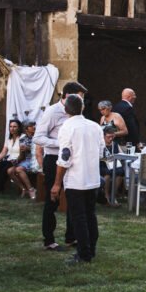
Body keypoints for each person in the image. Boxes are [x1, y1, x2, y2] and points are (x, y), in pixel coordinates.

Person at [35, 81, 88, 252]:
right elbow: (38, 137)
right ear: (67, 96)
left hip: (73, 161)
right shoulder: (52, 112)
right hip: (53, 159)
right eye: (80, 97)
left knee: (73, 197)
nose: (83, 101)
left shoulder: (78, 113)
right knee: (53, 199)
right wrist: (61, 143)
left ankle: (71, 237)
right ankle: (49, 239)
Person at [53, 95, 102, 264]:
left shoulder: (67, 127)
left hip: (76, 179)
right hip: (93, 177)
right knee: (90, 215)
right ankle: (91, 250)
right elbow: (101, 152)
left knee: (79, 217)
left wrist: (57, 183)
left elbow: (65, 157)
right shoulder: (95, 126)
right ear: (82, 108)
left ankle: (84, 254)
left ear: (66, 109)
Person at [0, 119, 23, 194]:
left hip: (19, 160)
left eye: (15, 126)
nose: (12, 128)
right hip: (10, 160)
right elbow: (3, 152)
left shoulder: (22, 138)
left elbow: (23, 154)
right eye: (10, 126)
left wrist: (16, 160)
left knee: (5, 167)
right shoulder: (9, 139)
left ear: (19, 128)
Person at [7, 120, 39, 199]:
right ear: (26, 129)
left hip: (37, 159)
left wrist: (29, 148)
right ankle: (23, 189)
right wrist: (16, 161)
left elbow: (41, 150)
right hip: (28, 159)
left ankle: (31, 189)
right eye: (31, 126)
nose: (34, 127)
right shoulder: (22, 139)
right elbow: (22, 155)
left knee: (18, 169)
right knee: (10, 171)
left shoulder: (38, 137)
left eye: (34, 125)